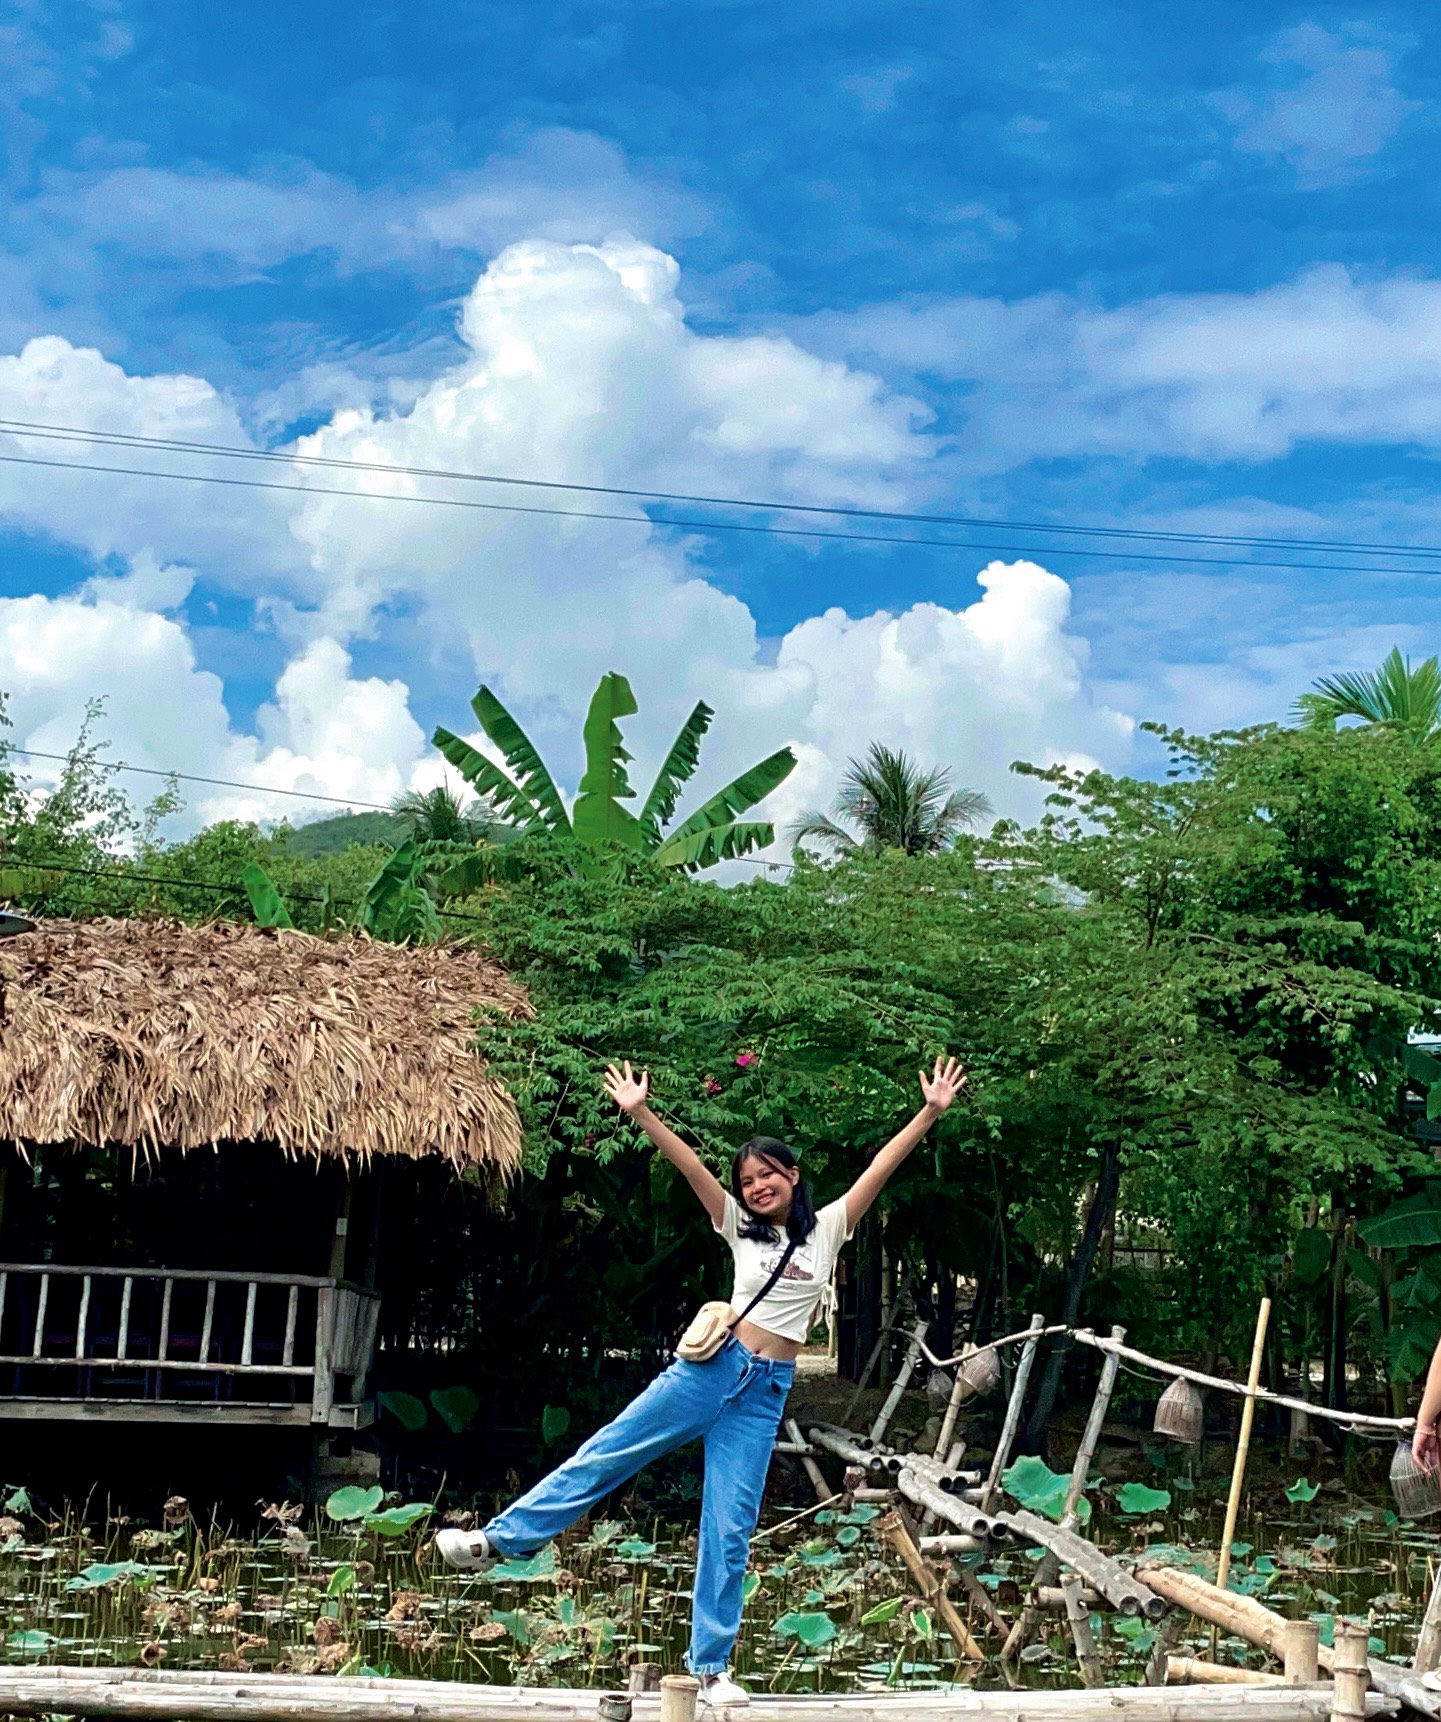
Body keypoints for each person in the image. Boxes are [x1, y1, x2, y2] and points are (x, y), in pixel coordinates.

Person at [436, 1054, 967, 1707]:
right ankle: (498, 1541)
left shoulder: (829, 1227)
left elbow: (879, 1166)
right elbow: (689, 1166)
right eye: (745, 1181)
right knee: (606, 1453)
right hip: (711, 1370)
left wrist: (930, 1110)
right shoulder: (737, 1226)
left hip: (765, 1390)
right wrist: (639, 1112)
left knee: (730, 1526)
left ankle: (710, 1668)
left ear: (791, 1177)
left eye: (765, 1176)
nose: (754, 1188)